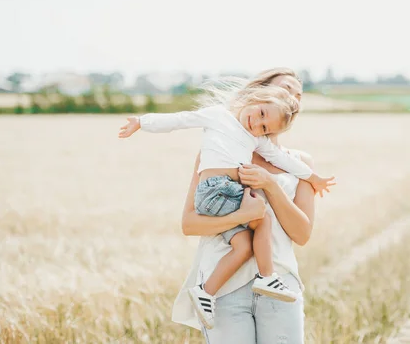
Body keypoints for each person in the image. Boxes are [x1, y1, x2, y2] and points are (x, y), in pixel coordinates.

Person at [118, 79, 334, 331]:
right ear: (258, 95)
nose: (258, 124)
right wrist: (142, 122)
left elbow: (281, 160)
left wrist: (309, 177)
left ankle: (211, 290)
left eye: (297, 96)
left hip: (267, 255)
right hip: (219, 193)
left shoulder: (257, 140)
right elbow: (180, 119)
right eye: (263, 112)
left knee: (244, 243)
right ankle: (265, 278)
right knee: (260, 217)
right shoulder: (219, 120)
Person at [172, 68, 328, 343]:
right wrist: (244, 215)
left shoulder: (301, 164)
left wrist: (269, 184)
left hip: (279, 281)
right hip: (224, 289)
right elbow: (189, 223)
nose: (293, 99)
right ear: (260, 96)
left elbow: (302, 234)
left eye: (298, 95)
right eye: (285, 89)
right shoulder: (218, 151)